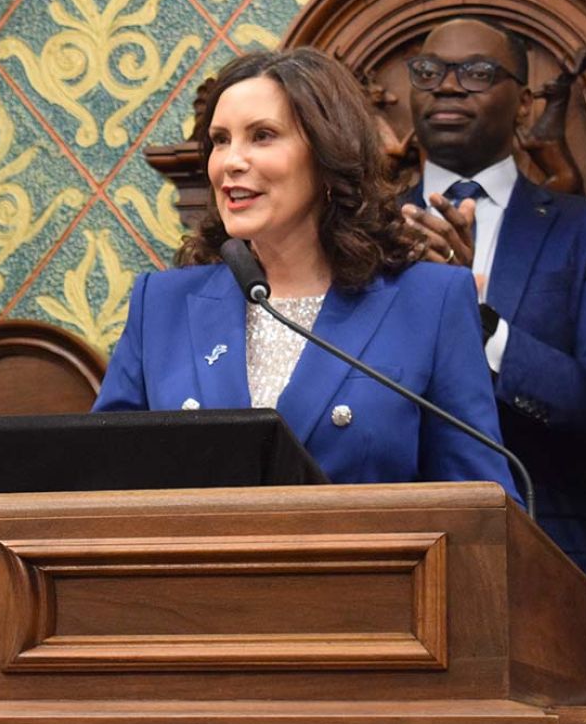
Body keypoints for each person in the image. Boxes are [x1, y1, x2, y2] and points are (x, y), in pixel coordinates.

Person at [94, 48, 520, 499]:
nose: (231, 162)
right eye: (220, 140)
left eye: (262, 136)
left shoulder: (429, 302)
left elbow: (484, 508)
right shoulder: (161, 305)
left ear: (327, 154)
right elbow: (100, 487)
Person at [400, 18, 586, 591]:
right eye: (428, 71)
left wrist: (478, 323)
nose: (447, 85)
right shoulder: (361, 232)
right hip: (388, 554)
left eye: (476, 72)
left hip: (545, 562)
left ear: (523, 106)